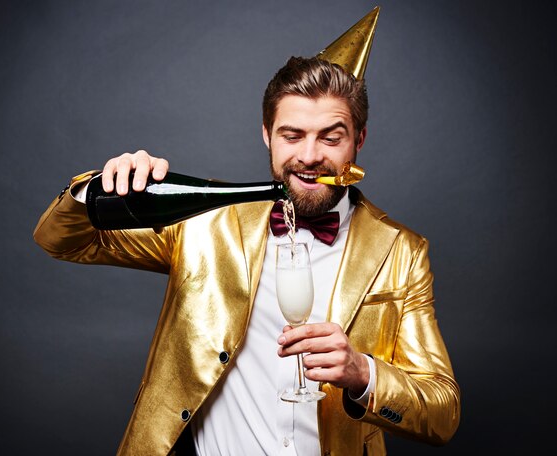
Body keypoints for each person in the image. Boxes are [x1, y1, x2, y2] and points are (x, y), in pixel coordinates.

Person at [34, 7, 460, 455]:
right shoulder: (207, 220)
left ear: (359, 141)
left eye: (331, 137)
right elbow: (61, 240)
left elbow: (442, 413)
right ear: (267, 136)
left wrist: (361, 372)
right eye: (292, 135)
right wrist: (99, 186)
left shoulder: (402, 253)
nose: (310, 155)